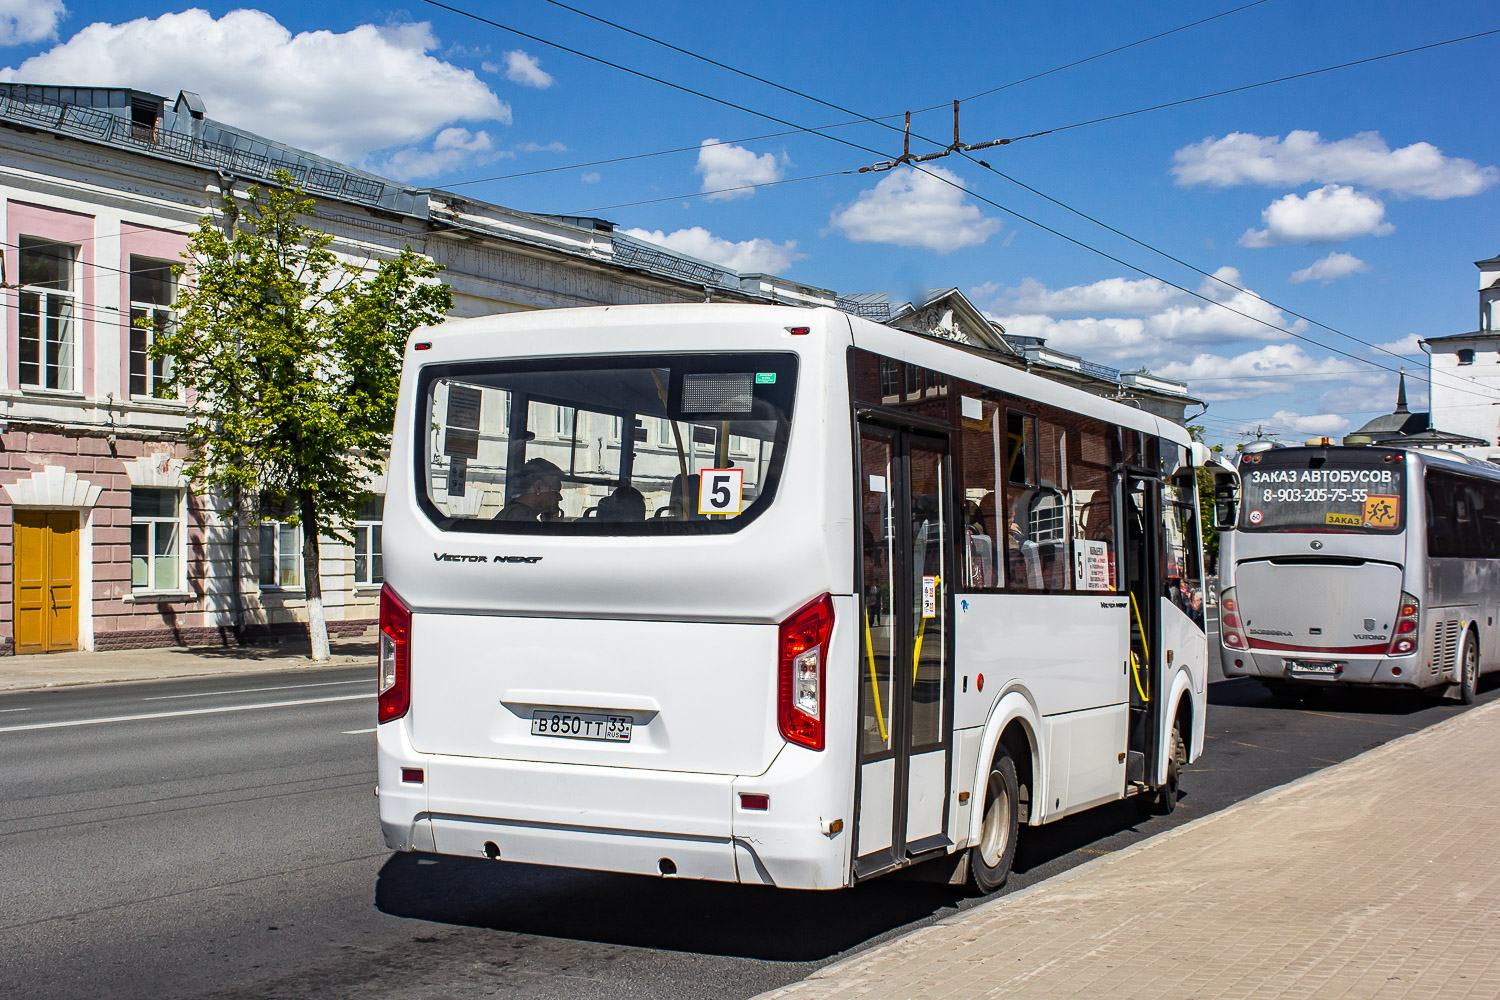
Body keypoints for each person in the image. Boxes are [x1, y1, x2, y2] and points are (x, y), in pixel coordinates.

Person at [496, 458, 564, 521]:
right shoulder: (523, 517)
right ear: (538, 487)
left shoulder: (512, 512)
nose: (560, 498)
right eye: (556, 491)